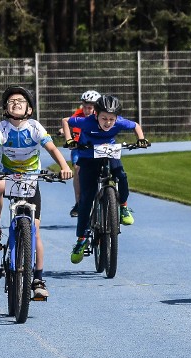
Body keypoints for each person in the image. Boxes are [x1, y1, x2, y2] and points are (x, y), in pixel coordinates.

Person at [0, 85, 73, 298]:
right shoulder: (2, 128)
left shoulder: (35, 127)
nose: (16, 103)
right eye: (11, 101)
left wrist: (64, 167)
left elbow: (52, 148)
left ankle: (38, 278)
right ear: (5, 108)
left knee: (35, 231)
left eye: (21, 101)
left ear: (29, 109)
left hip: (31, 179)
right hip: (8, 175)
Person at [62, 94, 146, 264]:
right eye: (104, 118)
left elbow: (136, 125)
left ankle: (123, 206)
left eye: (111, 119)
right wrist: (70, 139)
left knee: (121, 175)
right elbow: (66, 121)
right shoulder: (86, 122)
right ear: (95, 115)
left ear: (117, 118)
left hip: (109, 152)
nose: (108, 122)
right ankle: (81, 239)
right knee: (87, 197)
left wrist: (141, 139)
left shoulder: (120, 122)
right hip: (88, 155)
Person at [61, 90, 101, 217]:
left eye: (90, 107)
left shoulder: (101, 116)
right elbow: (70, 123)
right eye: (84, 107)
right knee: (78, 170)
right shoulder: (79, 114)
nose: (87, 110)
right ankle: (79, 202)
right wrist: (67, 135)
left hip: (97, 147)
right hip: (80, 148)